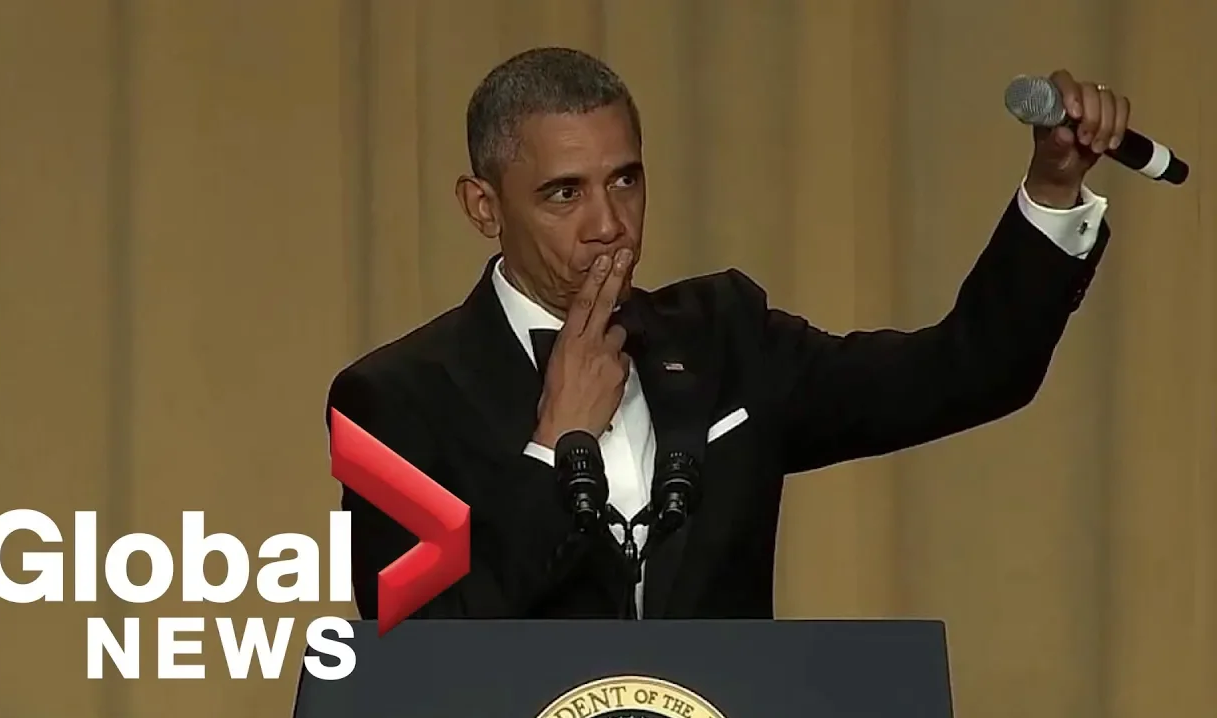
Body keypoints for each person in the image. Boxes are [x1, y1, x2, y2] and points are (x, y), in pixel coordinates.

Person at [327, 47, 1127, 621]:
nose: (609, 224)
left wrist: (1053, 189)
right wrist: (556, 446)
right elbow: (420, 646)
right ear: (484, 207)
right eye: (564, 193)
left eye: (625, 180)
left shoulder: (726, 342)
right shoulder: (391, 402)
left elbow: (968, 372)